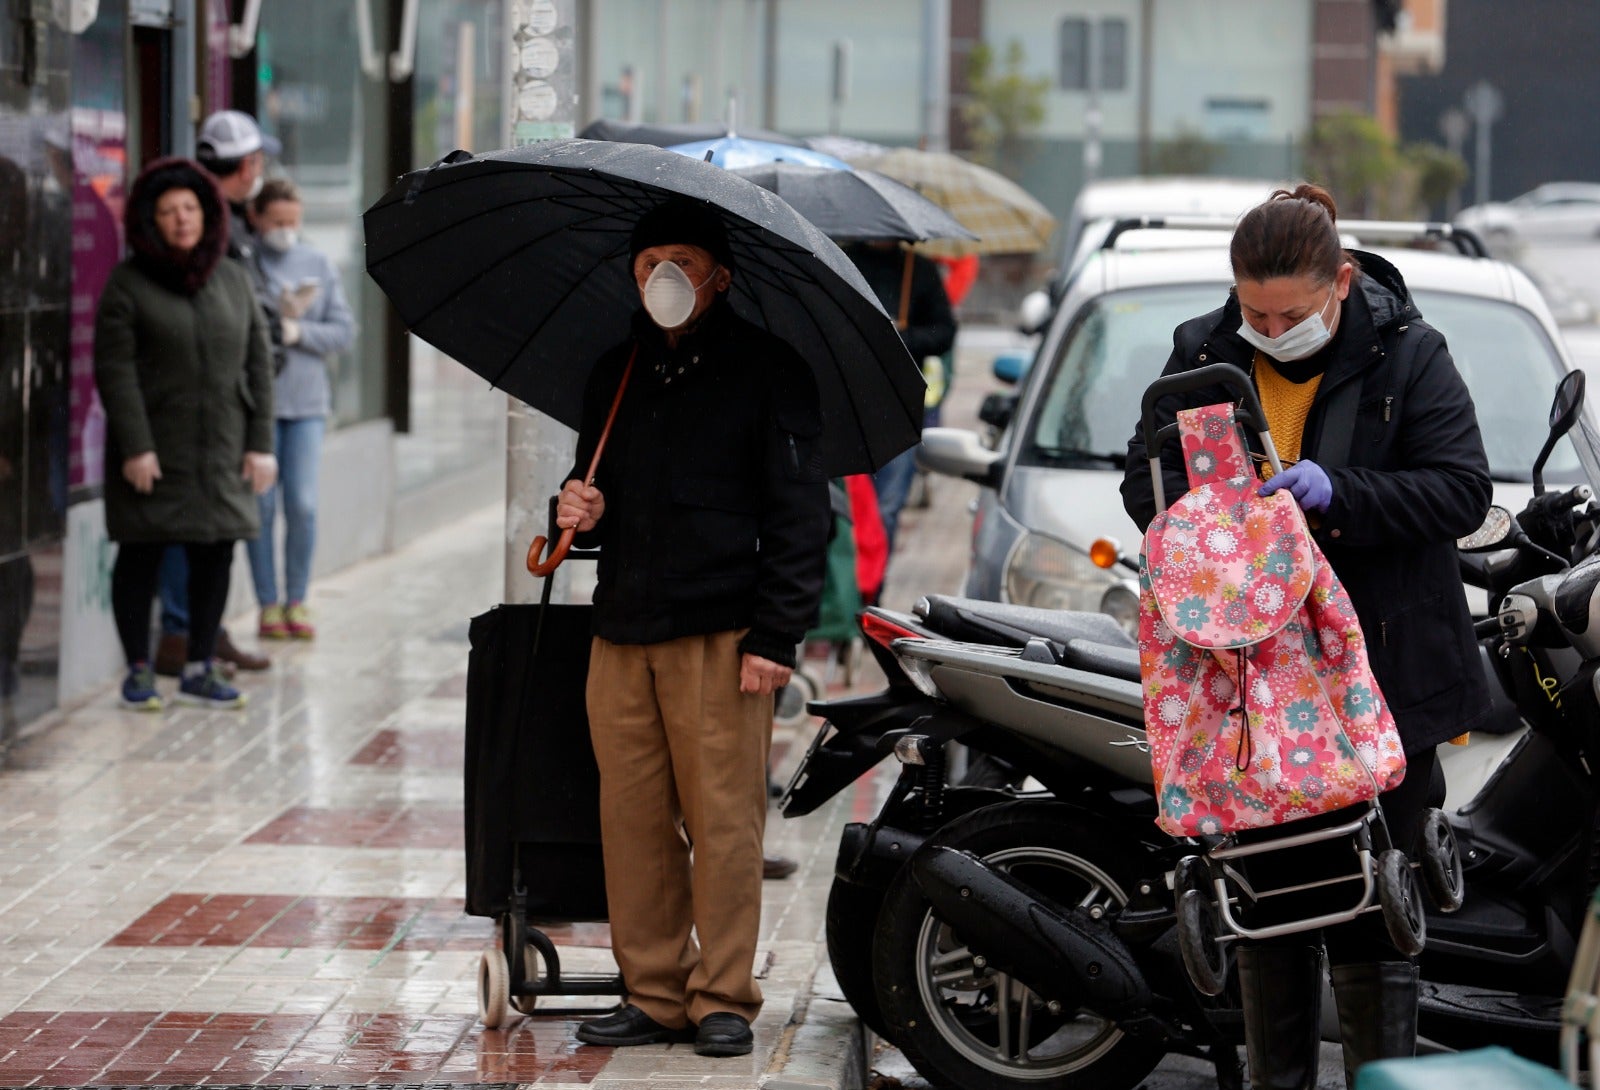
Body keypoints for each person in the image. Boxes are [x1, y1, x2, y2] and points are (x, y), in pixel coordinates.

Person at [1120, 184, 1491, 1090]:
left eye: (1290, 312)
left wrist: (1343, 494)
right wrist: (1213, 525)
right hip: (1252, 685)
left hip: (1384, 677)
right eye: (1254, 309)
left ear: (1342, 283)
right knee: (1270, 903)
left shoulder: (1411, 355)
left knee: (1377, 905)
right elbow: (1144, 488)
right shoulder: (1202, 353)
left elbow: (1462, 490)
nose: (1270, 326)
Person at [554, 199, 831, 1058]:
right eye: (647, 264)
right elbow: (589, 499)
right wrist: (575, 510)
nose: (662, 277)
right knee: (631, 823)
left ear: (720, 276)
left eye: (681, 261)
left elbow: (799, 518)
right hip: (621, 631)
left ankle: (723, 996)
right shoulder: (617, 370)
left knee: (722, 823)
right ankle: (653, 991)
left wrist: (776, 639)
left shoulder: (769, 370)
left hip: (723, 635)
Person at [94, 157, 277, 711]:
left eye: (190, 209)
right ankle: (139, 669)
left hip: (222, 445)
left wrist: (261, 444)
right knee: (141, 555)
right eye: (169, 210)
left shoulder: (232, 278)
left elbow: (258, 364)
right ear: (151, 219)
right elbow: (115, 371)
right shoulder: (128, 284)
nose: (181, 220)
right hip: (153, 448)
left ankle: (200, 665)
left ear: (208, 214)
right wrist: (135, 447)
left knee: (215, 552)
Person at [146, 109, 285, 678]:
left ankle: (203, 632)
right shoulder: (215, 232)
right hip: (209, 406)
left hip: (229, 402)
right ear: (248, 163)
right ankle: (183, 633)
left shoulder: (234, 226)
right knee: (194, 524)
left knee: (213, 527)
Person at [243, 178, 355, 640]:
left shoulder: (317, 263)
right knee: (262, 508)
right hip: (260, 406)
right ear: (257, 218)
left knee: (303, 505)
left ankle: (297, 600)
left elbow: (344, 332)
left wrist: (299, 333)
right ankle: (268, 604)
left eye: (293, 221)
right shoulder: (246, 262)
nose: (286, 230)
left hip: (307, 405)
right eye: (277, 222)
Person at [842, 241, 955, 554]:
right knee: (844, 509)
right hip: (845, 405)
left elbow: (945, 332)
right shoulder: (840, 259)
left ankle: (873, 590)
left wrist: (902, 338)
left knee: (886, 510)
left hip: (898, 405)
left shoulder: (917, 269)